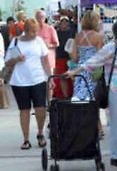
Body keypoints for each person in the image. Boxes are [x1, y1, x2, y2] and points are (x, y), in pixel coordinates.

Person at [66, 19, 117, 167]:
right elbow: (93, 62)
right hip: (116, 90)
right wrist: (74, 71)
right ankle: (116, 155)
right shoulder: (110, 48)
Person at [5, 18, 52, 149]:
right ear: (25, 31)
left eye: (36, 31)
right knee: (24, 110)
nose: (35, 34)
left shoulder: (39, 41)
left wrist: (50, 78)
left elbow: (45, 61)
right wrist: (16, 59)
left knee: (40, 108)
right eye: (32, 32)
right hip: (20, 81)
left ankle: (40, 133)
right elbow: (7, 62)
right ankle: (26, 139)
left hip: (38, 79)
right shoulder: (15, 41)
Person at [70, 10, 104, 137]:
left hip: (80, 70)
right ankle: (98, 127)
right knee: (93, 99)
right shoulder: (98, 37)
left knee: (80, 99)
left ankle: (81, 127)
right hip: (93, 70)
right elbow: (101, 56)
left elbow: (74, 57)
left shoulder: (78, 36)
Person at [53, 16, 75, 98]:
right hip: (60, 57)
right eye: (63, 21)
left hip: (71, 57)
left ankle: (73, 94)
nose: (64, 23)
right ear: (60, 23)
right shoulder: (56, 32)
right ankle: (65, 96)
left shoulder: (72, 32)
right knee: (62, 76)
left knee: (72, 76)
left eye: (66, 21)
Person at [35, 9, 59, 74]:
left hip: (48, 60)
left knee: (49, 80)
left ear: (45, 18)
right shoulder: (34, 29)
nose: (40, 19)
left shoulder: (50, 28)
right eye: (38, 17)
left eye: (42, 17)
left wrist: (49, 45)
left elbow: (57, 43)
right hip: (37, 60)